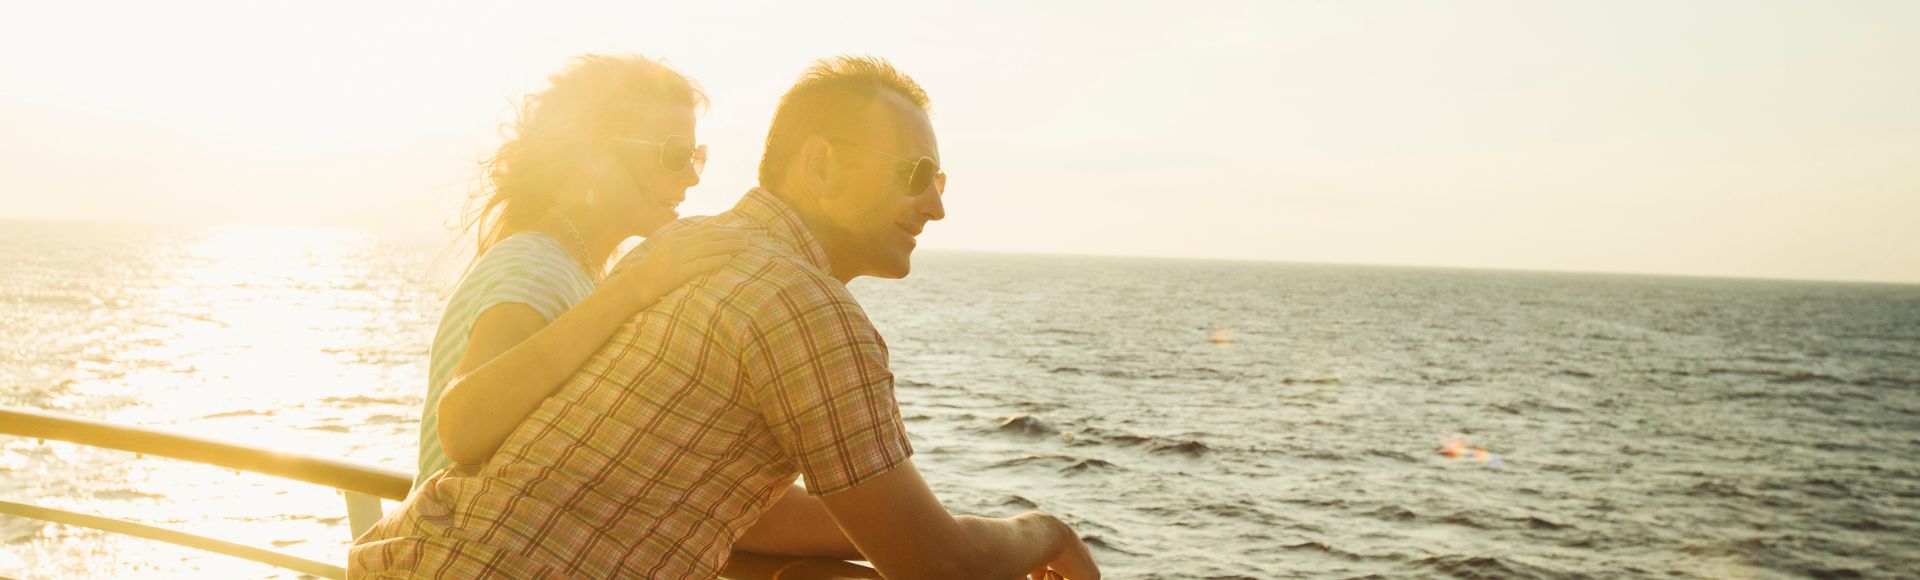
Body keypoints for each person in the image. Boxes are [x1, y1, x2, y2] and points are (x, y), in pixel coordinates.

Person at [352, 56, 1100, 580]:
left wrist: (885, 513)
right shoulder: (806, 311)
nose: (936, 204)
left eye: (938, 180)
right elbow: (937, 567)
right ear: (821, 165)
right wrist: (1045, 530)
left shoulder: (691, 250)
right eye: (914, 175)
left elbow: (675, 488)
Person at [417, 53, 747, 488]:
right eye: (674, 154)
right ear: (594, 157)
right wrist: (637, 286)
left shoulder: (572, 270)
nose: (692, 178)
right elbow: (464, 427)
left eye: (696, 155)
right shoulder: (536, 270)